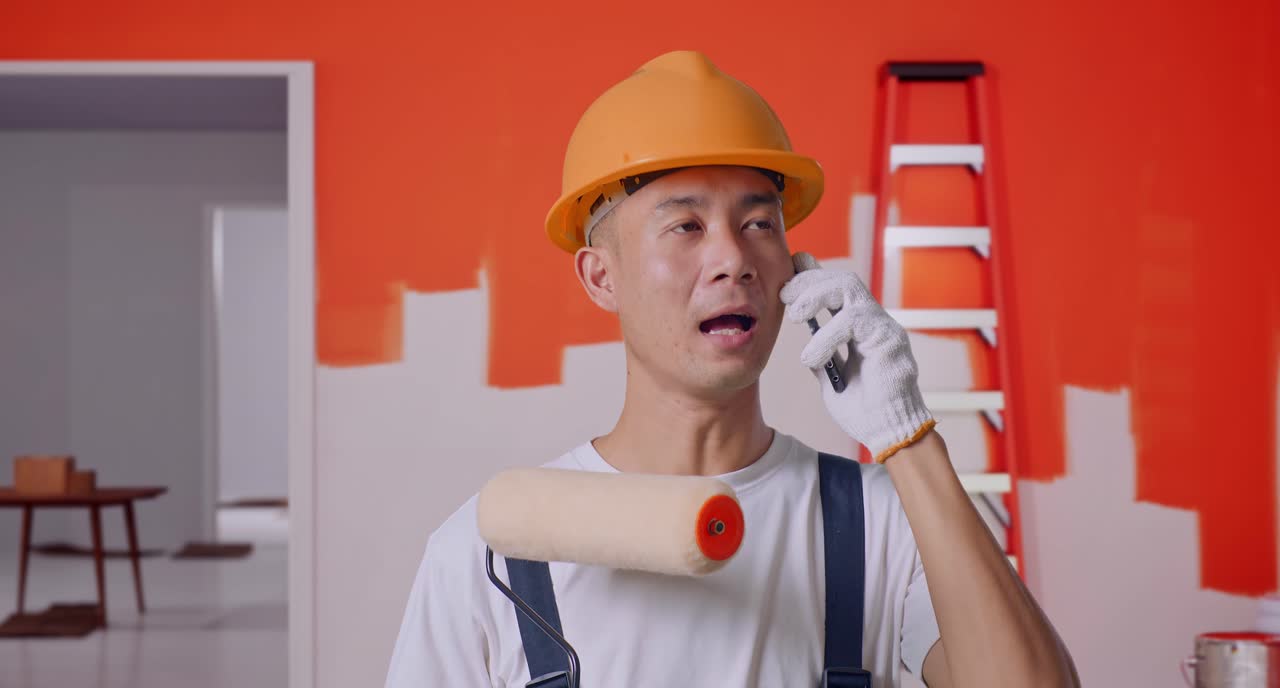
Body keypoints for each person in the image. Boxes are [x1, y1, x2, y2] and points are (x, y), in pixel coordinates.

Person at [385, 50, 1079, 688]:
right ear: (601, 277)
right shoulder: (490, 553)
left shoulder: (882, 524)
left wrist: (908, 436)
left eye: (758, 224)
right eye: (686, 226)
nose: (734, 259)